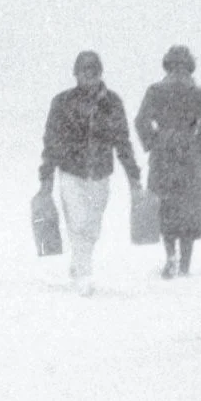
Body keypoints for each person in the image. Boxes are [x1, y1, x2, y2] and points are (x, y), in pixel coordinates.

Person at [39, 50, 140, 295]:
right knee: (78, 222)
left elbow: (122, 141)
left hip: (101, 173)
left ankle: (78, 263)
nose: (89, 75)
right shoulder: (62, 102)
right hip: (71, 172)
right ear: (75, 74)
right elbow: (51, 141)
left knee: (92, 227)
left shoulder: (112, 103)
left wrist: (133, 177)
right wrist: (46, 178)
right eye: (84, 71)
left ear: (99, 73)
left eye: (93, 71)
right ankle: (84, 275)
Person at [135, 45, 201, 277]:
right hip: (189, 157)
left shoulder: (155, 91)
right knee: (188, 210)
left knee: (166, 208)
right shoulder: (199, 94)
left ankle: (171, 255)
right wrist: (200, 148)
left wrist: (153, 141)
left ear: (167, 65)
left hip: (162, 155)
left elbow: (141, 120)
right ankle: (184, 264)